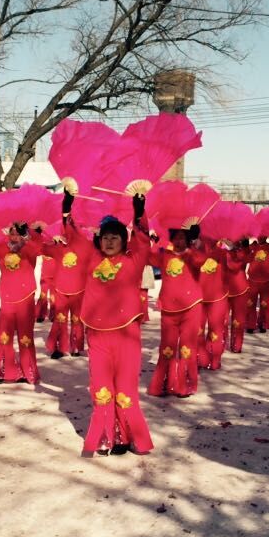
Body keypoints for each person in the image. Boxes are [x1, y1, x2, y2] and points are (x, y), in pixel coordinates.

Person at [77, 195, 154, 457]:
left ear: (124, 240)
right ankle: (105, 437)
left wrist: (139, 213)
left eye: (115, 237)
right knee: (101, 389)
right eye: (105, 237)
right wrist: (67, 213)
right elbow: (75, 241)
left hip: (126, 335)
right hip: (97, 335)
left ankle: (126, 436)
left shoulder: (133, 261)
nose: (109, 242)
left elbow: (143, 241)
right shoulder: (91, 260)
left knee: (125, 390)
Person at [0, 222, 43, 384]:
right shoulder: (2, 248)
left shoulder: (28, 249)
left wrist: (29, 233)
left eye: (17, 233)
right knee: (5, 336)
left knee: (25, 337)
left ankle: (27, 372)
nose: (14, 237)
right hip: (7, 298)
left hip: (25, 299)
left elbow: (38, 246)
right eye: (12, 233)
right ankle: (4, 370)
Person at [148, 226, 206, 397]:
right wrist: (155, 241)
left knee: (187, 347)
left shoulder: (192, 255)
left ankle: (184, 386)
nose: (179, 241)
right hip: (168, 307)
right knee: (167, 348)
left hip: (191, 307)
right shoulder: (165, 255)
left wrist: (194, 243)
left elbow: (200, 261)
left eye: (182, 237)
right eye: (176, 237)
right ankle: (162, 384)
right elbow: (149, 257)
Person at [43, 195, 91, 358]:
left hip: (79, 289)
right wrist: (36, 233)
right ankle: (59, 347)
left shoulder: (86, 246)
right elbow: (40, 248)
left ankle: (76, 346)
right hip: (61, 289)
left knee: (77, 319)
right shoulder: (58, 247)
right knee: (60, 318)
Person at [197, 237, 229, 371]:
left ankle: (214, 360)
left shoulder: (222, 252)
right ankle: (200, 359)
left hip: (217, 298)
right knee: (197, 330)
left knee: (215, 331)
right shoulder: (194, 251)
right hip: (198, 298)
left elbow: (232, 266)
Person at [246, 236, 269, 333]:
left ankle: (262, 323)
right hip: (253, 280)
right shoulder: (252, 246)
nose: (260, 237)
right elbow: (246, 258)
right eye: (259, 235)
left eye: (263, 235)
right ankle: (250, 324)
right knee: (250, 303)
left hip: (267, 281)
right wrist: (245, 246)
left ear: (266, 236)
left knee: (264, 304)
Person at [225, 239, 251, 353]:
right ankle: (220, 345)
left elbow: (234, 266)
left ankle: (236, 345)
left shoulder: (243, 251)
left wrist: (231, 250)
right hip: (223, 290)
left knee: (238, 320)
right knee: (222, 320)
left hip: (240, 289)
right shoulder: (220, 250)